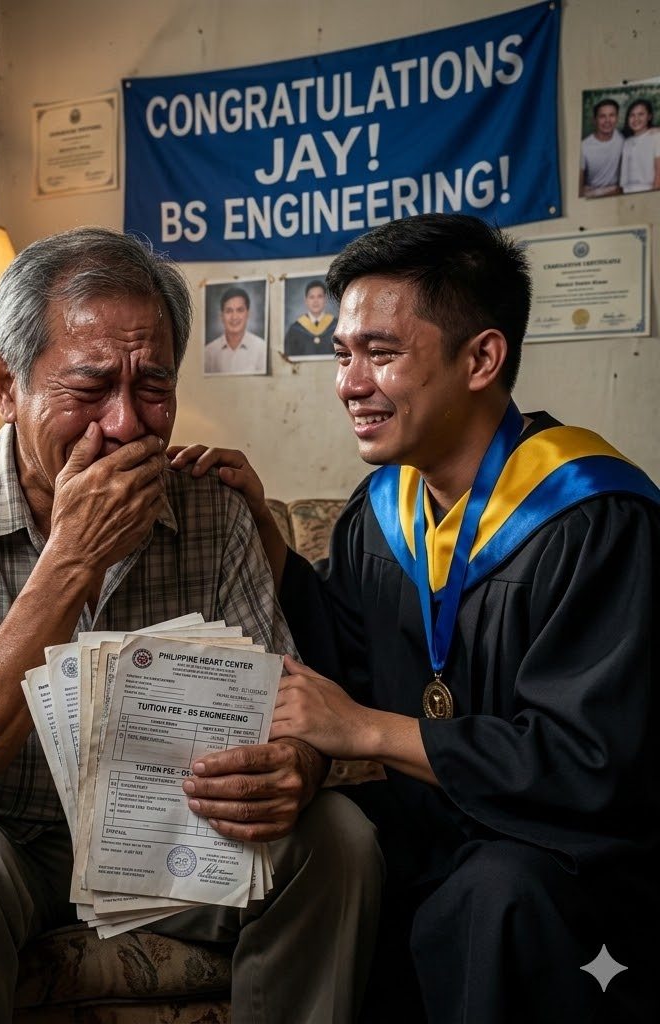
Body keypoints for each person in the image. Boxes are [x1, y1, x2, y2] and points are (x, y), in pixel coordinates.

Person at [0, 227, 382, 1024]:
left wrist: (295, 765)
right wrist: (70, 563)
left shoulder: (214, 510)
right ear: (6, 384)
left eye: (153, 386)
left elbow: (287, 710)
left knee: (338, 838)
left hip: (161, 834)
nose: (126, 424)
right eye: (90, 387)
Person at [170, 213, 660, 1023]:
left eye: (383, 353)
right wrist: (264, 534)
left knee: (493, 893)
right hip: (439, 827)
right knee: (317, 847)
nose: (350, 384)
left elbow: (592, 764)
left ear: (481, 359)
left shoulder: (593, 517)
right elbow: (347, 654)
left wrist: (369, 731)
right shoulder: (384, 508)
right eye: (343, 354)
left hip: (568, 858)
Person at [204, 286, 268, 374]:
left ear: (248, 314)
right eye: (229, 311)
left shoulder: (262, 349)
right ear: (221, 316)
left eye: (240, 310)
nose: (234, 317)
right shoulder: (208, 352)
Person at [578, 98, 623, 197]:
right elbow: (579, 191)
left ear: (617, 118)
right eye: (602, 116)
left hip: (616, 194)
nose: (607, 120)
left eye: (612, 115)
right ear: (595, 120)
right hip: (594, 195)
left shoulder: (622, 138)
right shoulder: (583, 147)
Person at [284, 279, 337, 357]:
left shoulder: (336, 326)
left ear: (325, 300)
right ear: (306, 301)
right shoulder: (295, 329)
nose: (315, 301)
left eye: (319, 296)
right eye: (312, 297)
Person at [619, 98, 660, 194]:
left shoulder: (656, 136)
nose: (636, 119)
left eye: (641, 114)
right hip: (627, 192)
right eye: (632, 115)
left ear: (649, 117)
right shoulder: (627, 142)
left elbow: (659, 174)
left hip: (648, 191)